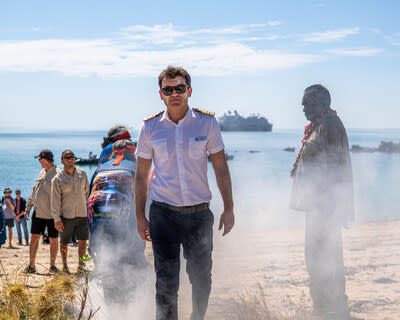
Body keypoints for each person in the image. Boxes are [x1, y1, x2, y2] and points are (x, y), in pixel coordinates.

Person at [135, 66, 235, 320]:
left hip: (199, 215)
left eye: (180, 88)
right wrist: (139, 215)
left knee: (202, 277)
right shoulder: (149, 128)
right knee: (166, 281)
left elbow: (221, 167)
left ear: (189, 91)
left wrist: (229, 207)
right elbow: (141, 175)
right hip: (163, 215)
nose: (175, 93)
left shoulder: (207, 123)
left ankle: (197, 317)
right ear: (161, 94)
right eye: (168, 89)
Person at [290, 85, 354, 320]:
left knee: (326, 257)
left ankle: (334, 309)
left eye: (307, 103)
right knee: (315, 256)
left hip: (326, 207)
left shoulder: (330, 125)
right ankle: (323, 308)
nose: (303, 108)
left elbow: (340, 167)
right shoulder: (320, 124)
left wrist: (339, 206)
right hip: (317, 205)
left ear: (321, 103)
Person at [88, 139, 147, 302]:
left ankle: (112, 311)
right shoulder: (137, 169)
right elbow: (145, 201)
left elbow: (88, 203)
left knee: (108, 273)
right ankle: (132, 310)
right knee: (133, 274)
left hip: (100, 233)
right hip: (127, 233)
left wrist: (92, 239)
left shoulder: (99, 170)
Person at [51, 149, 90, 274]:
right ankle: (65, 266)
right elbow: (55, 200)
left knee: (83, 242)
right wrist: (56, 219)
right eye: (67, 158)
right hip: (66, 216)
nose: (70, 160)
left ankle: (81, 266)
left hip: (82, 214)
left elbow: (86, 192)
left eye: (72, 157)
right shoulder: (57, 179)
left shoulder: (82, 173)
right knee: (64, 243)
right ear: (62, 161)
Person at [25, 150, 61, 273]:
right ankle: (31, 266)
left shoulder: (58, 174)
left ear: (44, 159)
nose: (39, 162)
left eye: (39, 159)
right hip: (38, 211)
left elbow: (62, 196)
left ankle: (52, 266)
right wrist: (28, 208)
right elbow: (34, 191)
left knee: (54, 240)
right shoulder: (41, 172)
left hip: (52, 214)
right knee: (34, 237)